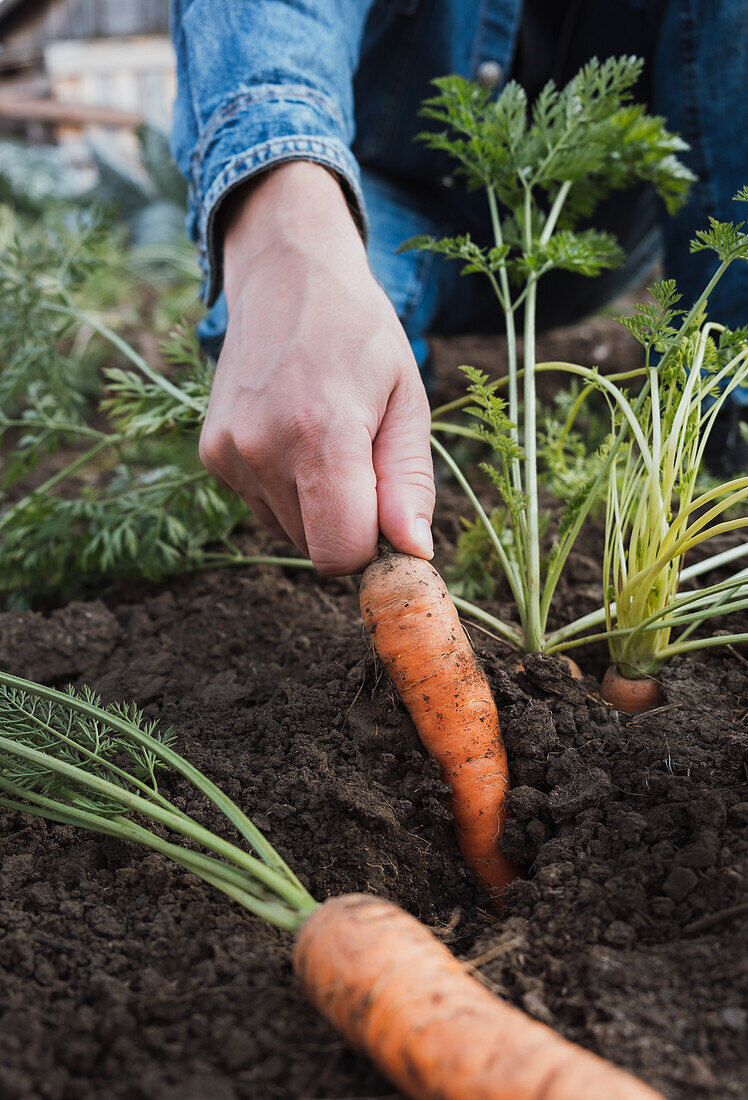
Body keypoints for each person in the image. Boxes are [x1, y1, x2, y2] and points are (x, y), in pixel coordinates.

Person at [170, 0, 748, 576]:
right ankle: (394, 460)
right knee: (303, 398)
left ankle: (723, 416)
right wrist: (285, 235)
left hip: (577, 222)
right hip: (377, 209)